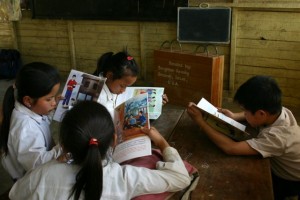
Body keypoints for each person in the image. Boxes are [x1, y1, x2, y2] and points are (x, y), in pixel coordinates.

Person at [9, 101, 191, 200]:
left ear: (62, 145)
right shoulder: (124, 178)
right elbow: (180, 178)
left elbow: (15, 193)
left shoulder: (41, 174)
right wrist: (161, 142)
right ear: (114, 141)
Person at [187, 75, 300, 200]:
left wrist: (200, 121)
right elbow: (255, 115)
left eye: (246, 111)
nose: (244, 114)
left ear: (261, 113)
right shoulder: (278, 111)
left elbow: (230, 148)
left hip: (289, 180)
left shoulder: (277, 138)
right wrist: (235, 116)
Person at [0, 62, 62, 181]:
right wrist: (63, 148)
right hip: (29, 179)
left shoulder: (28, 110)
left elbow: (42, 122)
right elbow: (37, 163)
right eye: (49, 99)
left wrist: (55, 108)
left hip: (39, 166)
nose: (54, 102)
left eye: (54, 97)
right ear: (28, 100)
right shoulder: (25, 127)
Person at [93, 50, 168, 118]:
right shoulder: (97, 98)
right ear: (109, 76)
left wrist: (156, 102)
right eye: (122, 86)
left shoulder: (112, 87)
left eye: (127, 86)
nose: (123, 91)